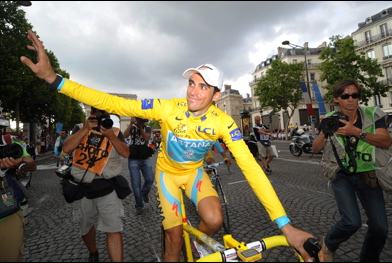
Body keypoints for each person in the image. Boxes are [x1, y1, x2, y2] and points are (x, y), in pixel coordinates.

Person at [21, 30, 315, 262]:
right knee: (173, 238)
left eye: (203, 86)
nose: (193, 91)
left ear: (215, 95)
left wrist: (286, 226)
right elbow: (114, 103)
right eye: (192, 83)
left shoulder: (224, 122)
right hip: (167, 177)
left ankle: (198, 244)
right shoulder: (167, 108)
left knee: (214, 219)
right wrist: (54, 80)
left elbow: (252, 169)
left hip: (194, 174)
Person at [312, 80, 392, 262]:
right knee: (351, 221)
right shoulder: (329, 118)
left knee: (380, 227)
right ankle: (328, 243)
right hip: (341, 175)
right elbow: (315, 149)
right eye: (345, 96)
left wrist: (355, 131)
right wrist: (324, 132)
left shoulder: (374, 114)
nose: (351, 100)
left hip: (369, 175)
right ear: (336, 99)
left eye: (355, 95)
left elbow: (386, 141)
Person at [62, 108, 130, 262]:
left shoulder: (115, 131)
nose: (99, 116)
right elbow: (66, 148)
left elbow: (126, 153)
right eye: (95, 112)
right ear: (90, 111)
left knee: (114, 229)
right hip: (84, 187)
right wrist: (85, 129)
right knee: (85, 227)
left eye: (102, 112)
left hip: (108, 186)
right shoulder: (80, 127)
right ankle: (93, 252)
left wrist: (111, 136)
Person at [0, 131, 37, 262]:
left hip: (6, 212)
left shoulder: (10, 143)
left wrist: (21, 164)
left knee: (11, 254)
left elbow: (32, 165)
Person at [124, 117, 154, 215]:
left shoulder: (148, 128)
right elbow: (125, 135)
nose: (140, 122)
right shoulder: (132, 127)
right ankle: (139, 205)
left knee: (150, 179)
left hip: (145, 156)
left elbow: (146, 138)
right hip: (133, 158)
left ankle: (144, 193)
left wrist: (140, 127)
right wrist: (130, 124)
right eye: (139, 120)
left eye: (142, 121)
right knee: (135, 183)